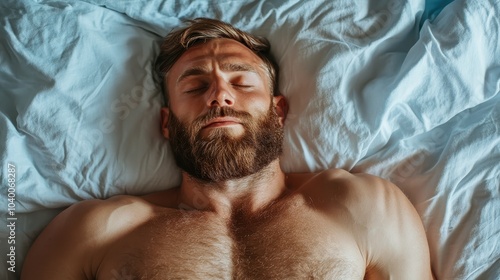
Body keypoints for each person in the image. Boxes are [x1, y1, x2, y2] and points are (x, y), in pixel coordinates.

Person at [21, 18, 434, 279]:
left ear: (278, 111)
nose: (219, 95)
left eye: (242, 82)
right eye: (196, 85)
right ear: (167, 122)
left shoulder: (362, 207)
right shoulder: (96, 232)